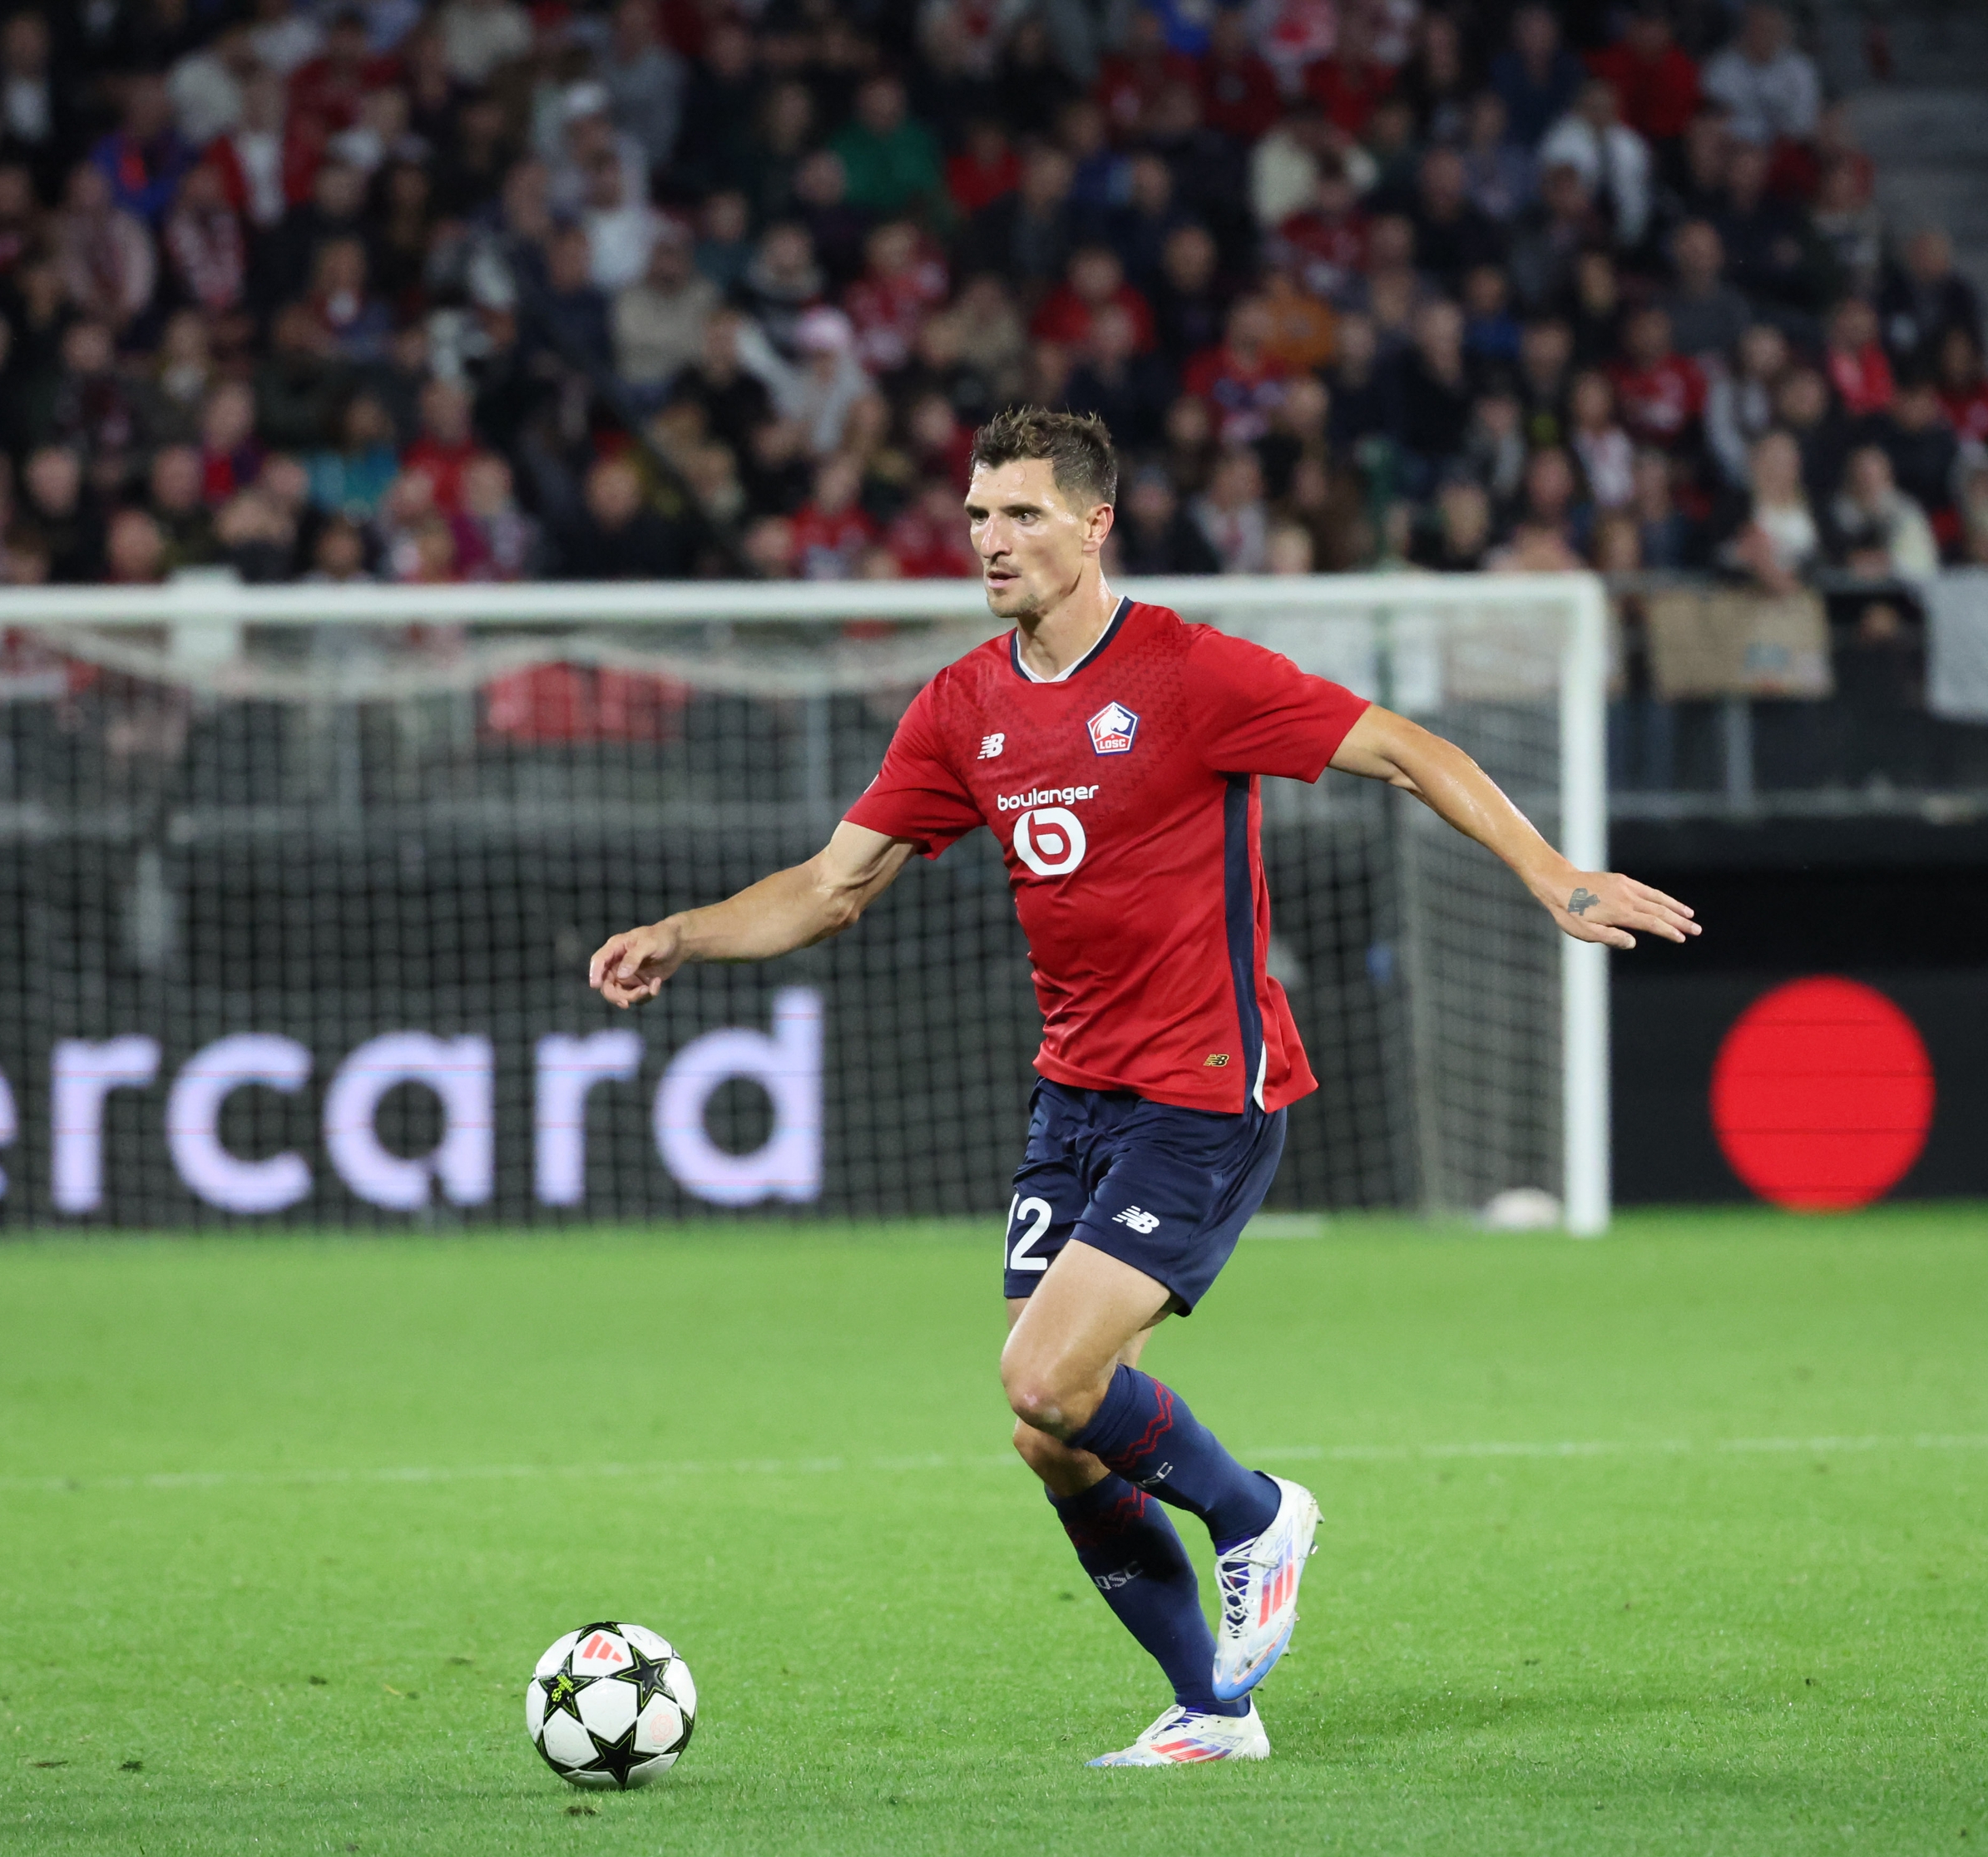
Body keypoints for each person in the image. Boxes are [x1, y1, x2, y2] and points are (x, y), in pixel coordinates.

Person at [588, 407, 1700, 1766]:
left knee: (1048, 1376)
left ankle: (1255, 1516)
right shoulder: (961, 706)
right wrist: (683, 934)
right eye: (979, 515)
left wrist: (1553, 875)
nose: (991, 541)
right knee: (1049, 1436)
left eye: (1023, 516)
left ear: (1095, 524)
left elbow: (1407, 748)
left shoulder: (1188, 673)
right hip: (1076, 1105)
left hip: (1205, 1091)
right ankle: (1213, 1712)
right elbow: (832, 888)